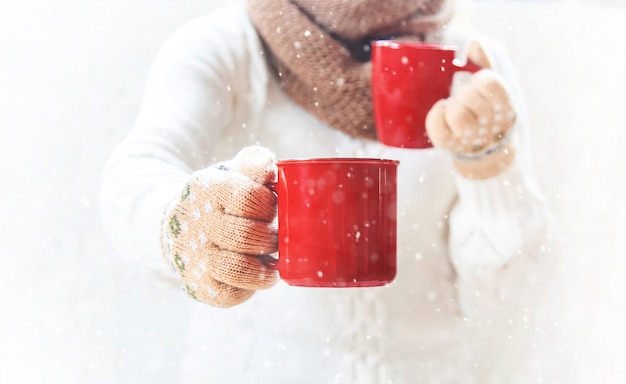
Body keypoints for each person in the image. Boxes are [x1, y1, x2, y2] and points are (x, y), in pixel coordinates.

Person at [100, 0, 558, 382]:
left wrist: (489, 164)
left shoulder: (470, 67)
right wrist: (184, 223)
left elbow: (517, 282)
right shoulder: (228, 47)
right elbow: (137, 171)